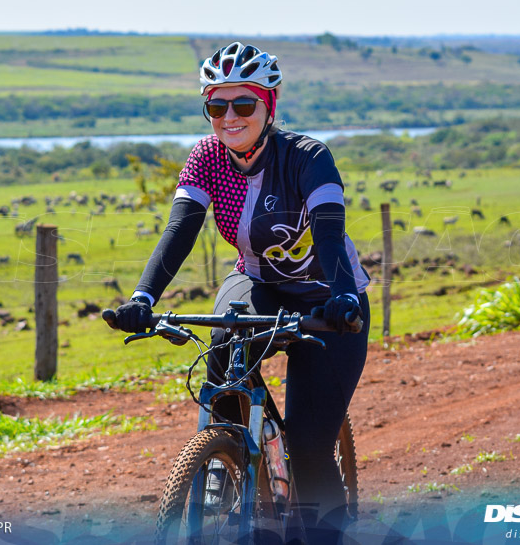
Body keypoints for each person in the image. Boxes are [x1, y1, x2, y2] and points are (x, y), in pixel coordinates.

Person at [105, 42, 370, 539]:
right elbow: (180, 231)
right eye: (216, 105)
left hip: (327, 297)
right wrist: (144, 298)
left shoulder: (307, 157)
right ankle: (230, 462)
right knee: (224, 354)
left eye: (243, 103)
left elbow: (330, 235)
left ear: (269, 104)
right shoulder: (206, 158)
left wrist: (344, 297)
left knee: (311, 446)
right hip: (258, 281)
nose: (230, 117)